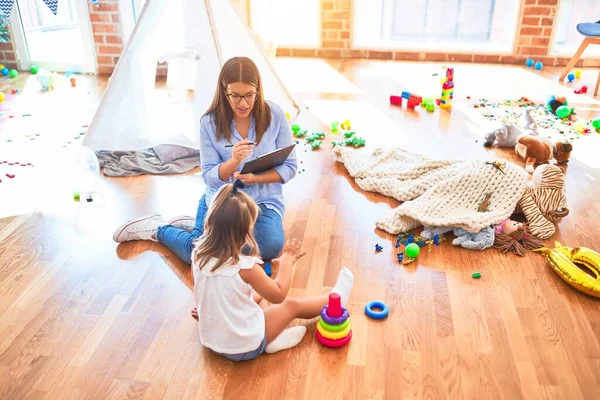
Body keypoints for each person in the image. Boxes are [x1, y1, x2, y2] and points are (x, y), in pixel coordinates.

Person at [112, 57, 297, 263]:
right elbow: (209, 177)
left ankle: (197, 228)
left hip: (263, 201)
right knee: (201, 255)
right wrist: (233, 161)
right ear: (224, 91)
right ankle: (156, 228)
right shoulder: (209, 123)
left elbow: (290, 167)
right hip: (222, 201)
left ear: (258, 90)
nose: (243, 103)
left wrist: (254, 179)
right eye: (235, 95)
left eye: (249, 95)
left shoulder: (276, 115)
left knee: (269, 246)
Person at [191, 183, 355, 360]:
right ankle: (335, 300)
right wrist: (286, 262)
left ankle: (272, 339)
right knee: (292, 305)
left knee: (256, 295)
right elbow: (278, 295)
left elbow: (210, 290)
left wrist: (208, 310)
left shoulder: (198, 255)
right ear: (245, 233)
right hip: (244, 345)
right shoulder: (246, 267)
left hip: (213, 342)